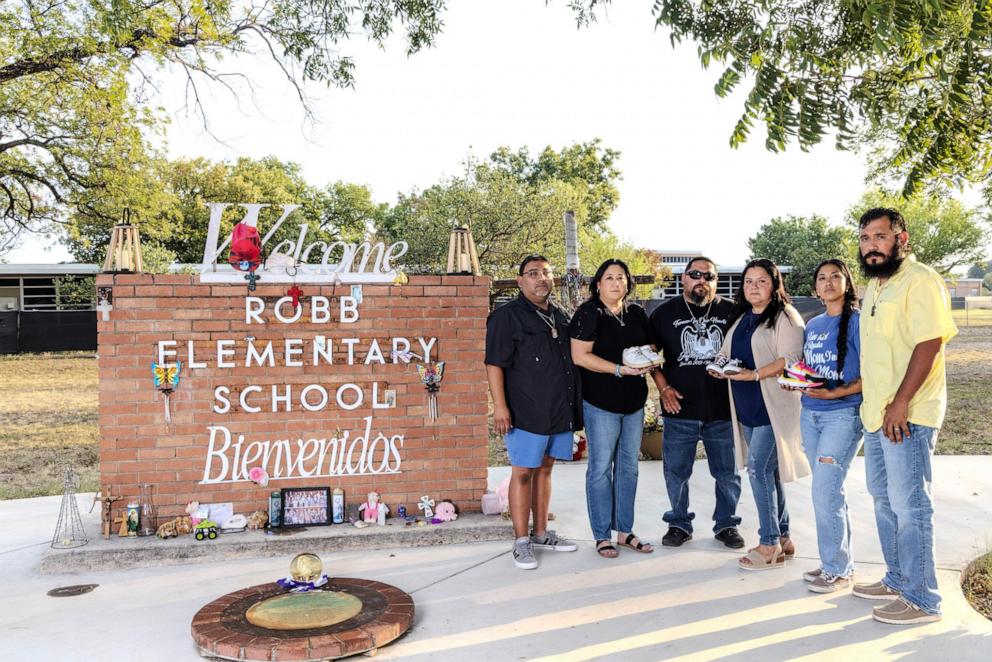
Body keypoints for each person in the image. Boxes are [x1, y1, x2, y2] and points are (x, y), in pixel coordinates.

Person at [855, 207, 957, 625]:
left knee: (910, 505)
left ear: (902, 239)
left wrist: (900, 403)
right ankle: (898, 579)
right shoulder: (876, 285)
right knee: (884, 502)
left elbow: (929, 344)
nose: (871, 246)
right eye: (864, 238)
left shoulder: (921, 281)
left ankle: (923, 599)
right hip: (877, 415)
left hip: (908, 413)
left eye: (879, 237)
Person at [485, 255, 581, 570]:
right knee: (523, 472)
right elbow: (494, 363)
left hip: (558, 408)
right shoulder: (506, 316)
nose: (541, 278)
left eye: (547, 272)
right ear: (520, 280)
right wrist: (500, 406)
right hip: (525, 410)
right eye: (533, 273)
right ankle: (521, 541)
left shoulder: (561, 316)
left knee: (546, 470)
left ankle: (541, 533)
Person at [715, 258, 809, 570]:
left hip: (773, 407)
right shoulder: (742, 317)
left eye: (761, 281)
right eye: (749, 282)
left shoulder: (785, 316)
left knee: (757, 470)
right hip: (747, 408)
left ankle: (768, 544)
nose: (754, 287)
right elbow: (727, 352)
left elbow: (791, 358)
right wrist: (720, 365)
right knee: (767, 472)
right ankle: (783, 537)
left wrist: (755, 375)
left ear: (774, 284)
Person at [649, 257, 744, 549]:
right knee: (676, 472)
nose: (702, 280)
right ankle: (679, 522)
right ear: (683, 279)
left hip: (723, 410)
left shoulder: (732, 311)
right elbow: (651, 357)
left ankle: (726, 524)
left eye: (709, 276)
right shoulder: (663, 313)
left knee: (727, 474)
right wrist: (663, 388)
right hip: (680, 410)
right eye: (695, 274)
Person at [569, 259, 657, 558]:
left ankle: (624, 531)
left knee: (629, 469)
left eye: (621, 278)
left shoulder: (635, 313)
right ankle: (601, 535)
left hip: (633, 403)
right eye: (610, 278)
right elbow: (580, 356)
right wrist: (619, 369)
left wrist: (649, 359)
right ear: (598, 284)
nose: (616, 283)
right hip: (601, 403)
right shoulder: (589, 313)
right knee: (600, 469)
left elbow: (651, 347)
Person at [793, 259, 864, 593]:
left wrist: (835, 391)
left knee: (825, 490)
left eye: (836, 276)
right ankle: (834, 562)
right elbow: (811, 369)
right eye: (821, 278)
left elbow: (871, 375)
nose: (828, 282)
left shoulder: (860, 323)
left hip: (843, 415)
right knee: (826, 490)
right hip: (810, 413)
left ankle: (838, 570)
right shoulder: (814, 323)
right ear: (815, 288)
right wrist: (795, 381)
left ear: (847, 283)